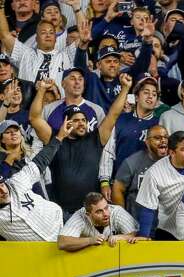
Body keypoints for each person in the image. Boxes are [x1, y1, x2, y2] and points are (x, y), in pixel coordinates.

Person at [30, 75, 128, 216]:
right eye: (76, 120)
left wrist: (125, 88)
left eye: (84, 120)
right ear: (67, 123)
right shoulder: (55, 139)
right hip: (60, 211)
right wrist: (42, 91)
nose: (82, 123)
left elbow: (113, 114)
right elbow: (34, 118)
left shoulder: (96, 138)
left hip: (91, 212)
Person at [136, 131, 184, 240]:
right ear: (172, 152)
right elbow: (147, 207)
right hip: (170, 231)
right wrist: (143, 235)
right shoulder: (154, 173)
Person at [0, 131, 67, 242]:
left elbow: (40, 161)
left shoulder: (16, 182)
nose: (2, 190)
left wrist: (59, 138)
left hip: (62, 221)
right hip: (41, 252)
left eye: (1, 184)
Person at [57, 192, 143, 251]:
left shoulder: (117, 211)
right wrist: (90, 241)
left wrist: (122, 237)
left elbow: (139, 236)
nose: (105, 214)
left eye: (106, 208)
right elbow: (63, 242)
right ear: (88, 214)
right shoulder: (80, 216)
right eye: (99, 211)